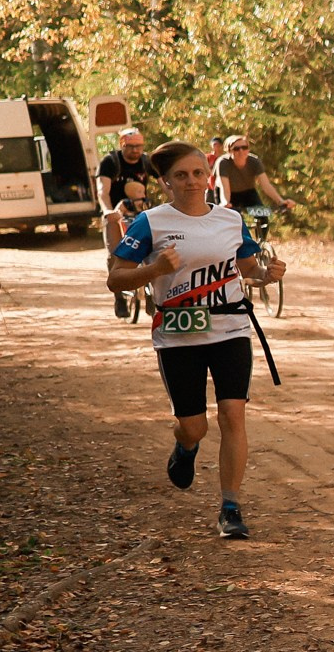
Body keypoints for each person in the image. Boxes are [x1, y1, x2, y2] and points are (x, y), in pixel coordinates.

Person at [106, 140, 288, 540]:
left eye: (198, 173)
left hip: (230, 330)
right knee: (194, 427)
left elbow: (247, 268)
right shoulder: (150, 223)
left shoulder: (229, 219)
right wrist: (153, 269)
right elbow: (116, 278)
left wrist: (266, 274)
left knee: (232, 415)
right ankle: (185, 448)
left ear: (208, 176)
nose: (191, 182)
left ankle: (231, 507)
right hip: (178, 336)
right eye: (181, 176)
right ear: (166, 183)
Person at [99, 128, 160, 316]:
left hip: (141, 213)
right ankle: (119, 298)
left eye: (139, 146)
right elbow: (103, 190)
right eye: (131, 146)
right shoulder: (111, 162)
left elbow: (165, 183)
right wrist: (108, 211)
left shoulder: (146, 161)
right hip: (116, 214)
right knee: (115, 252)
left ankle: (152, 294)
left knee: (152, 250)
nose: (136, 150)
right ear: (122, 145)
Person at [213, 136, 295, 219]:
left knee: (262, 216)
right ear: (229, 151)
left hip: (247, 192)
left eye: (244, 148)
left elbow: (266, 185)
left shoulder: (254, 161)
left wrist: (280, 201)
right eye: (236, 149)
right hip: (227, 193)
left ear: (248, 149)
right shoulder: (223, 163)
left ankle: (260, 231)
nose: (241, 151)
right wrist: (225, 202)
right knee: (232, 218)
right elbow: (225, 187)